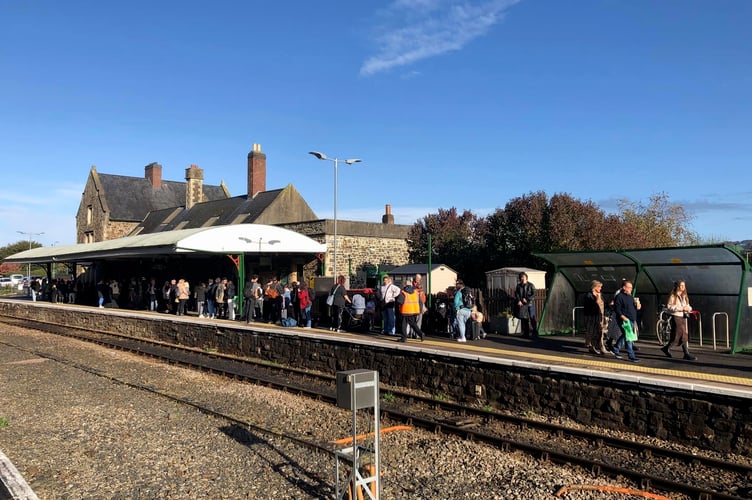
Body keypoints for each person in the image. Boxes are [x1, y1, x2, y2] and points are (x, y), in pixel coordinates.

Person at [661, 280, 697, 361]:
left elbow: (688, 305)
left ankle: (686, 353)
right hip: (676, 316)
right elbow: (670, 307)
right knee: (678, 334)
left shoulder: (684, 296)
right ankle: (668, 348)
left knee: (684, 334)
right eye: (681, 285)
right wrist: (681, 308)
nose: (683, 287)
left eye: (684, 285)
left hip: (683, 316)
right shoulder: (673, 296)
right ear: (677, 287)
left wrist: (688, 308)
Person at [611, 280, 640, 362]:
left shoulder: (630, 297)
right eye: (629, 287)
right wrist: (622, 316)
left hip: (631, 319)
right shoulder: (619, 297)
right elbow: (617, 308)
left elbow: (635, 308)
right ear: (624, 288)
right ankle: (631, 355)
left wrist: (637, 304)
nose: (631, 289)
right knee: (629, 337)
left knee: (625, 335)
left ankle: (616, 348)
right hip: (624, 319)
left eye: (631, 287)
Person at [583, 280, 607, 355]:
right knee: (593, 332)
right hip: (591, 317)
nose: (600, 288)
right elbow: (592, 305)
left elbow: (603, 304)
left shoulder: (600, 294)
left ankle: (601, 346)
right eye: (599, 287)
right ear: (595, 287)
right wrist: (598, 298)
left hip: (600, 316)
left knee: (601, 332)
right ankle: (592, 347)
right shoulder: (589, 295)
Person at [514, 272, 538, 337]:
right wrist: (519, 301)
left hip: (530, 304)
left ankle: (535, 332)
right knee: (524, 318)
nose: (522, 278)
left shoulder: (531, 285)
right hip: (523, 304)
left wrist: (527, 299)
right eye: (521, 277)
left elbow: (535, 294)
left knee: (532, 317)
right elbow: (517, 294)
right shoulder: (518, 286)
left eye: (523, 277)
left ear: (526, 277)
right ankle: (526, 333)